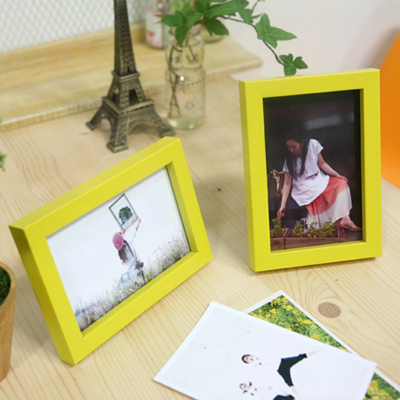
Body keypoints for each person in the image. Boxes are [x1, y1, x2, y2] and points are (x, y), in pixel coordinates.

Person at [277, 131, 361, 241]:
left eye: (294, 147)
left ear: (301, 142)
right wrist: (282, 205)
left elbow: (322, 164)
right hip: (304, 187)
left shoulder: (313, 144)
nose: (291, 150)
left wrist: (336, 175)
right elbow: (287, 183)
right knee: (324, 196)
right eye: (289, 148)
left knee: (341, 183)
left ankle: (345, 218)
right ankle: (339, 232)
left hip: (319, 179)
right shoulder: (289, 160)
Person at [241, 350, 318, 399]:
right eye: (247, 360)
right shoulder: (257, 366)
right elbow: (263, 376)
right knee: (289, 383)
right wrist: (268, 385)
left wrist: (250, 335)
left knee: (300, 357)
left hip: (283, 362)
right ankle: (298, 397)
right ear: (248, 362)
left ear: (250, 355)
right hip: (280, 370)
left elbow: (254, 344)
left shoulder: (258, 355)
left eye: (248, 357)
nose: (248, 359)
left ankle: (318, 350)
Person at [112, 217, 145, 285]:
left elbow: (121, 241)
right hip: (137, 268)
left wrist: (122, 232)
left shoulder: (121, 253)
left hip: (132, 273)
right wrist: (138, 222)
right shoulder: (128, 244)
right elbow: (134, 231)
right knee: (144, 282)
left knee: (139, 285)